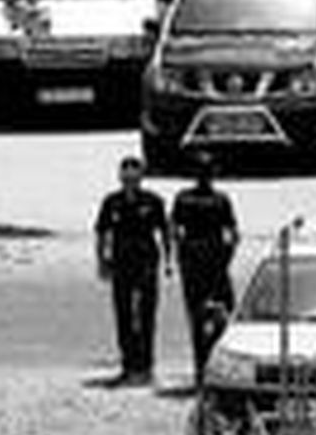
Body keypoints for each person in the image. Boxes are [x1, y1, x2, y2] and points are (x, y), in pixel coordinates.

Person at [93, 154, 172, 386]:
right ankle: (128, 365)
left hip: (147, 263)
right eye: (125, 176)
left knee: (146, 315)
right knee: (124, 315)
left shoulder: (153, 201)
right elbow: (101, 232)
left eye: (134, 176)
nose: (129, 181)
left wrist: (168, 261)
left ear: (141, 177)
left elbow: (164, 232)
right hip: (121, 264)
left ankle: (146, 367)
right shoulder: (111, 202)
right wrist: (102, 261)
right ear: (120, 177)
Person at [170, 151, 239, 386]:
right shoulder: (218, 199)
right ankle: (209, 369)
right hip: (212, 261)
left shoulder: (186, 198)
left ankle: (204, 369)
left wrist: (180, 256)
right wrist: (225, 258)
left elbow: (174, 232)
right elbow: (233, 235)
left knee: (202, 318)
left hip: (198, 263)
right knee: (219, 316)